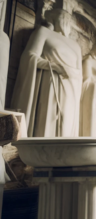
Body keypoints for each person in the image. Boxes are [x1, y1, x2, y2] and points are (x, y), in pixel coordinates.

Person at [11, 8, 82, 137]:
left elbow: (79, 73)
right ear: (54, 18)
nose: (66, 20)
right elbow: (30, 56)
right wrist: (55, 66)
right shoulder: (44, 32)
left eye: (68, 19)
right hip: (50, 83)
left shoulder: (75, 45)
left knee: (66, 123)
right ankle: (42, 152)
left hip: (71, 89)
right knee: (48, 119)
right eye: (62, 16)